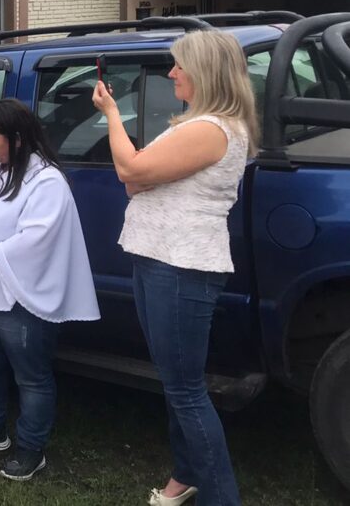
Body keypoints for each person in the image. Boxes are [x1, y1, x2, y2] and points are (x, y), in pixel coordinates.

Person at [93, 30, 257, 506]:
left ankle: (221, 497)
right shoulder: (197, 124)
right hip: (158, 258)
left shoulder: (211, 129)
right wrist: (140, 171)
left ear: (204, 72)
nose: (170, 73)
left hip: (181, 266)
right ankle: (186, 475)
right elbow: (137, 180)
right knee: (174, 380)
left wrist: (111, 114)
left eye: (178, 66)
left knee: (185, 389)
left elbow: (130, 171)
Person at [0, 98, 99, 481]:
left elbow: (37, 239)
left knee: (30, 374)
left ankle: (31, 447)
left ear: (16, 139)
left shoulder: (46, 181)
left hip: (21, 294)